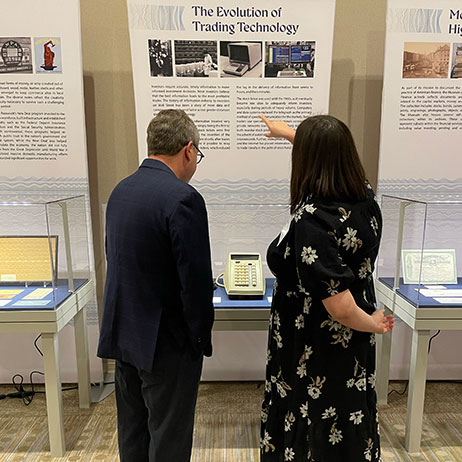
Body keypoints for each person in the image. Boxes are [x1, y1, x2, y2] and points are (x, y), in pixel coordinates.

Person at [259, 114, 394, 462]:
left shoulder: (313, 222)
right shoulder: (364, 198)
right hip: (350, 346)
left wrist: (374, 323)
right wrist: (290, 134)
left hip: (313, 345)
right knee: (347, 416)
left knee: (315, 419)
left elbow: (339, 307)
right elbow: (326, 154)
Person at [97, 109, 214, 462]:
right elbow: (194, 282)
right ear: (189, 150)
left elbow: (114, 258)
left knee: (133, 435)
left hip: (125, 338)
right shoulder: (184, 198)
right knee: (169, 440)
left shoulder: (120, 191)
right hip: (167, 345)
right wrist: (198, 340)